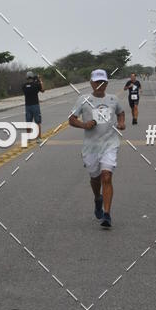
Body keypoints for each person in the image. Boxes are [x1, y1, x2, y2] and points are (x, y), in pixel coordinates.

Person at [69, 69, 125, 229]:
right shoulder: (83, 99)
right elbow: (71, 119)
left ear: (107, 83)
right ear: (91, 83)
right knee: (95, 178)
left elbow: (121, 113)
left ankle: (107, 214)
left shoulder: (113, 99)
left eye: (103, 82)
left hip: (110, 144)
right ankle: (97, 199)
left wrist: (121, 123)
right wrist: (84, 124)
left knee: (106, 177)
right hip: (91, 147)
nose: (99, 85)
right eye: (96, 82)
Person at [22, 71, 43, 141]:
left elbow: (27, 88)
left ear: (27, 77)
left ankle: (28, 137)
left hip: (27, 106)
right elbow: (42, 90)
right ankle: (39, 138)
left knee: (28, 122)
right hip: (35, 105)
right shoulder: (36, 85)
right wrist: (40, 81)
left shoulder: (24, 86)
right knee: (37, 122)